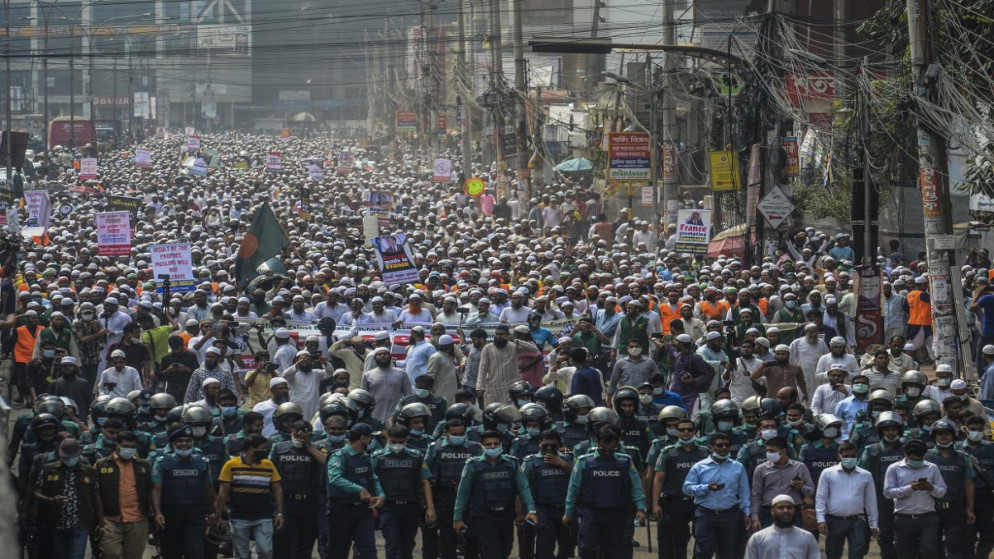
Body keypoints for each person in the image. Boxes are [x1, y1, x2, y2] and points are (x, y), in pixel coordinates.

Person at [453, 430, 538, 559]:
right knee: (491, 551)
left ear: (501, 445)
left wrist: (531, 509)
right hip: (483, 516)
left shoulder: (512, 464)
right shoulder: (472, 466)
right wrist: (457, 518)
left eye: (496, 444)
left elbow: (524, 488)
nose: (492, 447)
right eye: (488, 444)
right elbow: (463, 493)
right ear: (482, 446)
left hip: (506, 515)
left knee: (506, 549)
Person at [214, 433, 285, 559]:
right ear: (251, 448)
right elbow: (223, 492)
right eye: (262, 449)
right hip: (239, 517)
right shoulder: (231, 465)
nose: (264, 451)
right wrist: (218, 516)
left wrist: (279, 513)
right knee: (241, 554)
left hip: (263, 516)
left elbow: (277, 489)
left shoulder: (268, 465)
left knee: (265, 551)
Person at [151, 424, 217, 559]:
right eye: (180, 441)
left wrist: (212, 513)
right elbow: (156, 489)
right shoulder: (162, 462)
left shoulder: (203, 462)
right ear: (173, 443)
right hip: (170, 514)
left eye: (188, 441)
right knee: (171, 552)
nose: (184, 444)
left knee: (195, 551)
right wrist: (157, 512)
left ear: (193, 443)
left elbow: (209, 490)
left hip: (196, 514)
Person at [682, 432, 752, 559]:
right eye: (720, 445)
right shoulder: (699, 467)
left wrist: (747, 512)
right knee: (703, 551)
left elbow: (744, 491)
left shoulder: (738, 467)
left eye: (727, 445)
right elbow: (687, 488)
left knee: (727, 551)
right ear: (711, 447)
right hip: (705, 514)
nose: (724, 448)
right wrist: (706, 487)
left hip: (729, 515)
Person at [371, 425, 436, 559]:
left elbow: (424, 482)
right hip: (388, 507)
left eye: (401, 442)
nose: (397, 445)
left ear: (406, 440)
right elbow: (372, 480)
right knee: (392, 543)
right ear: (388, 439)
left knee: (407, 544)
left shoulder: (416, 456)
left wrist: (430, 507)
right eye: (394, 442)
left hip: (410, 506)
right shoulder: (377, 457)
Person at [33, 438, 104, 559]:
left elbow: (96, 497)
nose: (69, 460)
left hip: (81, 523)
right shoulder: (49, 469)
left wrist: (101, 523)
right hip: (57, 523)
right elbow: (36, 493)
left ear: (79, 453)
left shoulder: (89, 472)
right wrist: (52, 500)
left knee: (76, 556)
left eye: (72, 456)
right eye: (66, 457)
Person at [651, 417, 709, 559]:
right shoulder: (667, 453)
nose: (686, 432)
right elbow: (658, 479)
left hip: (699, 502)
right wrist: (655, 504)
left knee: (703, 537)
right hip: (675, 502)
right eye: (682, 430)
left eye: (689, 429)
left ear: (694, 432)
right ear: (676, 432)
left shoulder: (704, 452)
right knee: (679, 540)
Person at [325, 423, 384, 559]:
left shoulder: (365, 457)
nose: (371, 441)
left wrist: (380, 494)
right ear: (363, 438)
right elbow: (334, 478)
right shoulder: (339, 456)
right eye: (370, 438)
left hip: (362, 510)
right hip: (341, 509)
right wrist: (359, 490)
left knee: (368, 550)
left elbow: (373, 478)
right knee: (338, 550)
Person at [270, 420, 327, 559]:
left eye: (303, 433)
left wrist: (308, 445)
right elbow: (270, 471)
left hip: (308, 502)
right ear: (291, 432)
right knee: (281, 538)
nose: (298, 436)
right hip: (285, 502)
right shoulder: (278, 448)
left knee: (306, 541)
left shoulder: (316, 449)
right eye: (296, 432)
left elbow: (326, 463)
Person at [883, 438, 947, 558]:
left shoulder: (932, 468)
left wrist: (931, 488)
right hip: (904, 518)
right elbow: (887, 493)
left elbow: (942, 491)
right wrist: (910, 488)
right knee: (905, 552)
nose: (917, 462)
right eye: (913, 459)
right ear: (906, 454)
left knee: (929, 551)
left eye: (920, 459)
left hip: (927, 517)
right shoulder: (894, 469)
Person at [815, 441, 879, 559]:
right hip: (834, 521)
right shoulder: (828, 473)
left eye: (852, 456)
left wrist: (873, 524)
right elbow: (821, 498)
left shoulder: (865, 475)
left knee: (858, 552)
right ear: (839, 456)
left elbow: (871, 501)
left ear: (857, 456)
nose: (849, 459)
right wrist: (820, 519)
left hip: (857, 520)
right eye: (845, 456)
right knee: (833, 553)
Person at [95, 430, 152, 559]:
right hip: (110, 519)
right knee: (111, 553)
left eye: (132, 447)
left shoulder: (144, 465)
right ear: (117, 446)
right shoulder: (101, 465)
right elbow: (95, 492)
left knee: (134, 555)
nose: (129, 450)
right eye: (126, 446)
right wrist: (99, 519)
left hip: (138, 519)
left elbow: (151, 489)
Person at [749, 436, 814, 530]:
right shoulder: (761, 469)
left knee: (794, 542)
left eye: (772, 451)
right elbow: (756, 495)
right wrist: (755, 518)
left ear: (783, 451)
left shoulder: (800, 467)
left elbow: (811, 490)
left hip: (793, 511)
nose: (768, 453)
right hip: (769, 512)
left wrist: (801, 488)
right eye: (767, 450)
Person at [743, 495, 821, 559]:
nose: (785, 511)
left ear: (794, 510)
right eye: (781, 507)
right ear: (772, 511)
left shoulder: (807, 538)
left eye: (789, 507)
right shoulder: (758, 538)